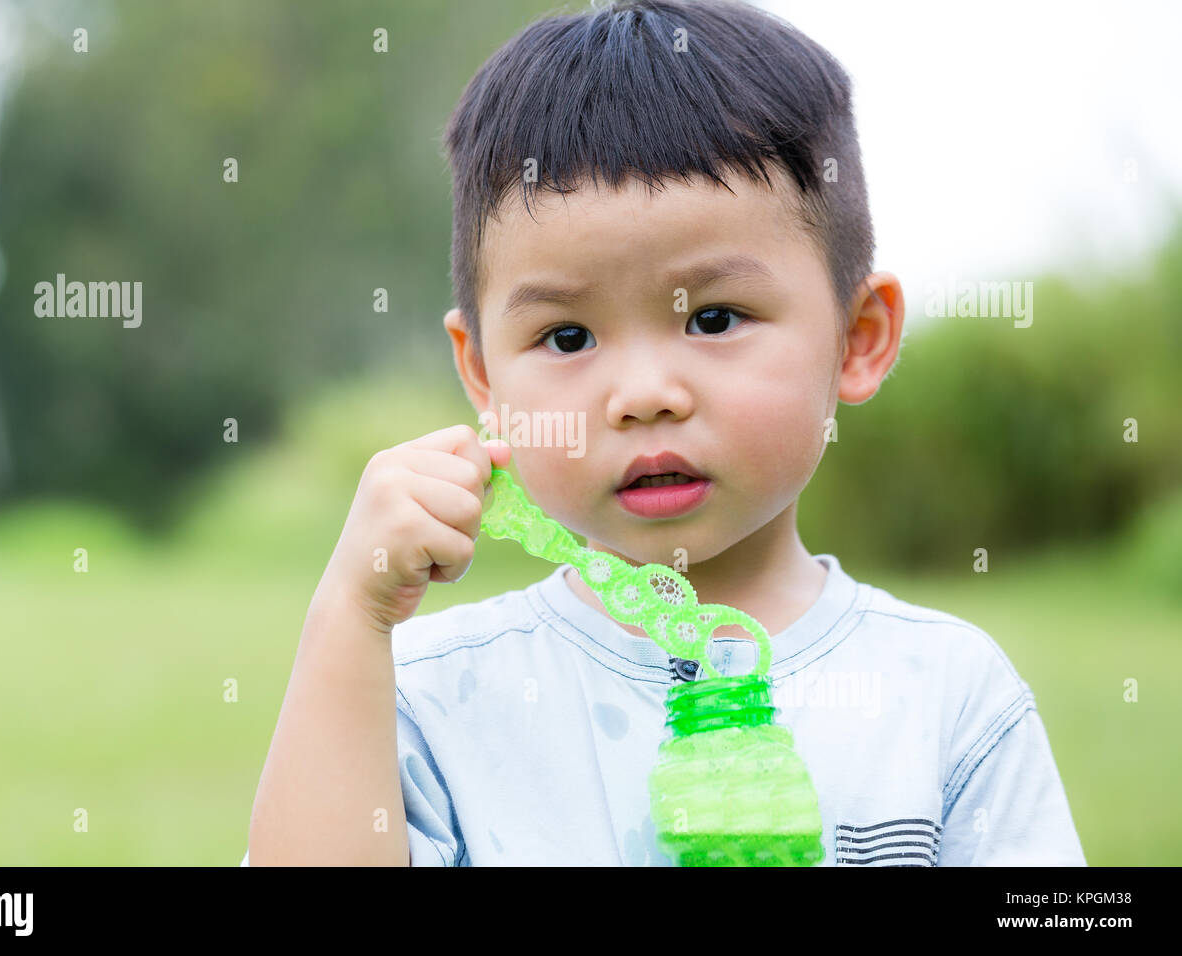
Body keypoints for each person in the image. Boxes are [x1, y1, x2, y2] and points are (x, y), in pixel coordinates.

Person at [243, 0, 1085, 866]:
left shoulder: (947, 695)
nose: (644, 396)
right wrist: (349, 616)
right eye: (567, 337)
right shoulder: (427, 691)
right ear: (487, 377)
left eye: (715, 318)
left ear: (857, 338)